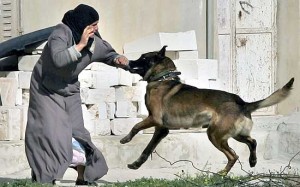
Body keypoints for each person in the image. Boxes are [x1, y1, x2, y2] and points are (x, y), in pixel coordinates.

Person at [25, 4, 129, 185]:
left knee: (78, 133)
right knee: (51, 133)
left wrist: (117, 59)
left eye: (97, 24)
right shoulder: (60, 33)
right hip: (45, 88)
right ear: (82, 23)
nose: (96, 28)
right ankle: (44, 177)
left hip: (69, 89)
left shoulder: (93, 41)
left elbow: (108, 53)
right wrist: (80, 44)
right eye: (93, 24)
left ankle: (84, 176)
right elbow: (58, 59)